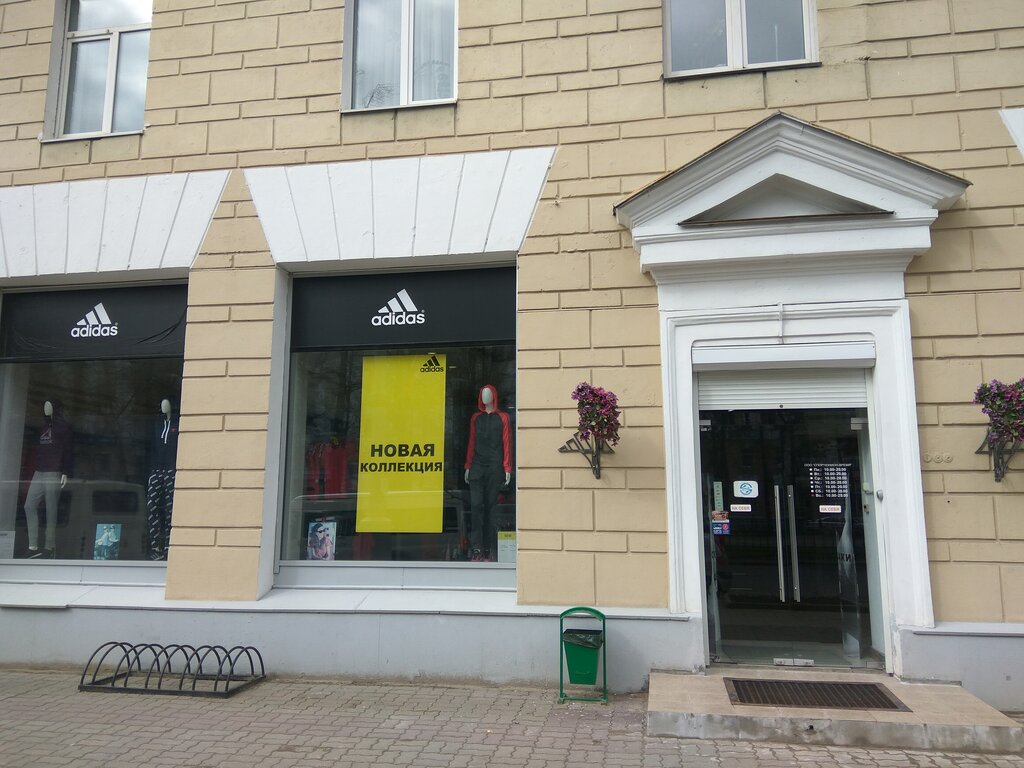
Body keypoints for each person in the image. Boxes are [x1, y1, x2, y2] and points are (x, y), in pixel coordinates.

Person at [463, 385, 512, 562]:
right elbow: (471, 441)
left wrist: (507, 467)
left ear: (494, 396)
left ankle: (488, 549)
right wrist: (468, 465)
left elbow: (507, 442)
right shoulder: (476, 418)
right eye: (483, 394)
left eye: (488, 394)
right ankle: (476, 548)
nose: (485, 397)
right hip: (477, 466)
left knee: (491, 509)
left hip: (494, 467)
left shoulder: (503, 417)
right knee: (476, 506)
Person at [24, 399, 72, 558]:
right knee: (29, 506)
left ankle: (49, 546)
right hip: (39, 471)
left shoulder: (63, 427)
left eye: (49, 405)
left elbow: (68, 450)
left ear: (56, 408)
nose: (46, 408)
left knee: (51, 509)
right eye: (44, 405)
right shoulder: (43, 426)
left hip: (54, 471)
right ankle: (33, 546)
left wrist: (65, 471)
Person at [147, 398, 179, 561]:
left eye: (166, 402)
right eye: (161, 403)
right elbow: (151, 447)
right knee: (151, 506)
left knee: (169, 508)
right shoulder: (157, 424)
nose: (163, 406)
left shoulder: (178, 424)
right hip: (156, 469)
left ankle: (167, 544)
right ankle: (155, 546)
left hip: (171, 470)